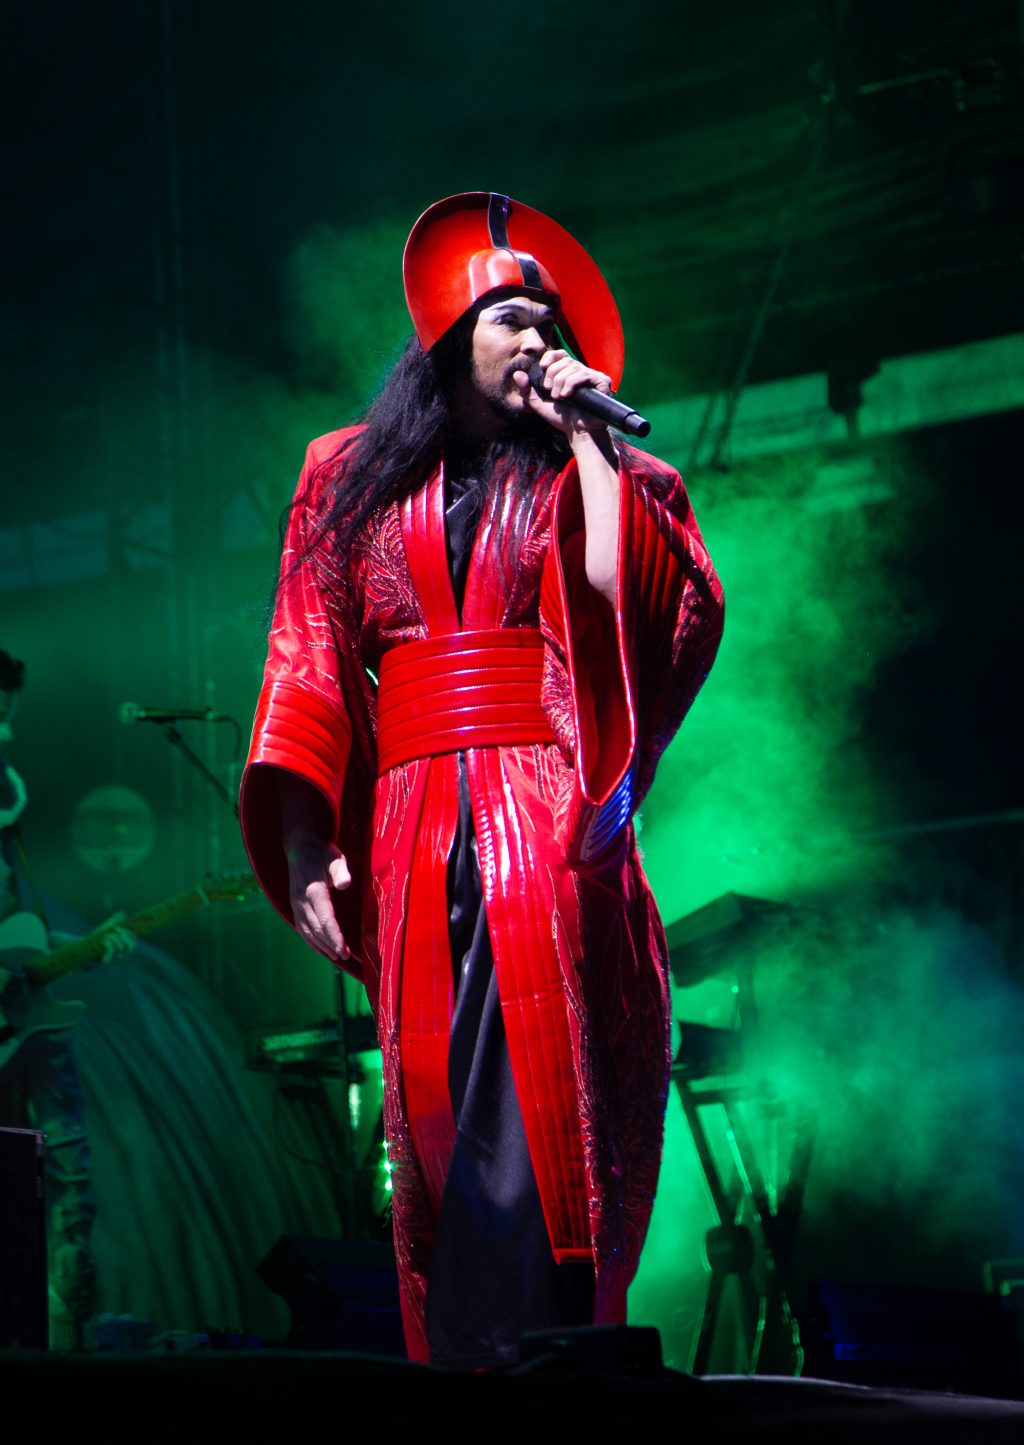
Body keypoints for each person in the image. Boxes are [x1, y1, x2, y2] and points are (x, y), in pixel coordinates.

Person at [240, 193, 724, 1367]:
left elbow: (625, 598)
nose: (539, 338)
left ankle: (531, 1351)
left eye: (552, 322)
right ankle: (470, 1352)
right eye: (514, 316)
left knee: (547, 1103)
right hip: (410, 825)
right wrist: (307, 832)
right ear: (450, 331)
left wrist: (590, 438)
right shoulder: (343, 474)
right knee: (435, 1112)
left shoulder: (598, 471)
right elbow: (307, 640)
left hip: (548, 821)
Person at [0, 648, 132, 1346]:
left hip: (35, 1021)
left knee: (71, 1181)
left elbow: (20, 921)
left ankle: (62, 1326)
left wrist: (77, 949)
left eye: (8, 714)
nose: (5, 732)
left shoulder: (10, 802)